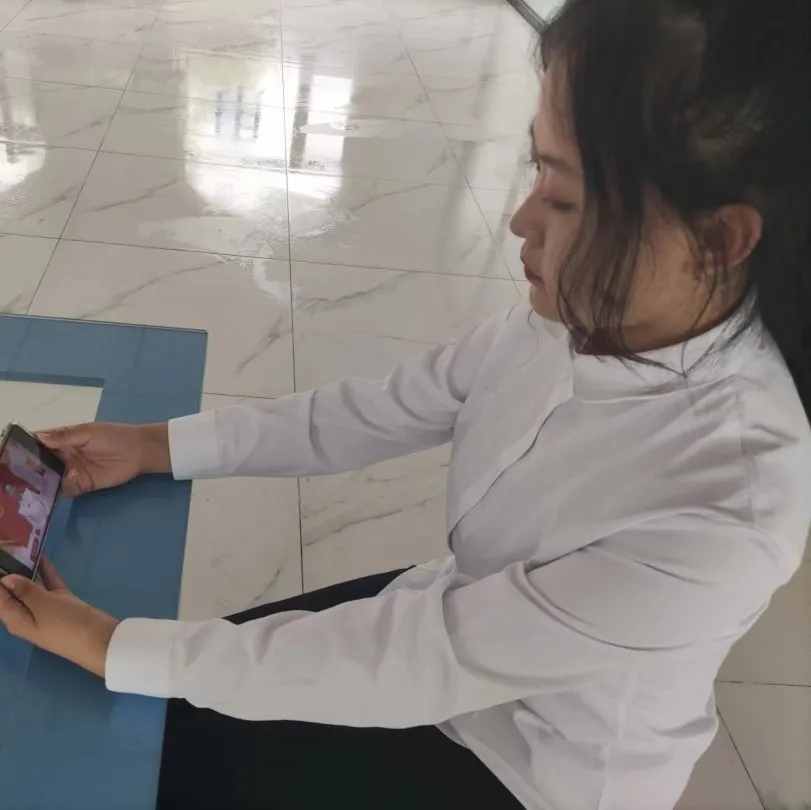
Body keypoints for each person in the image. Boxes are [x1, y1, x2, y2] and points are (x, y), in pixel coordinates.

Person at [1, 1, 810, 808]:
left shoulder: (730, 506)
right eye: (536, 171)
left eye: (563, 199)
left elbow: (421, 663)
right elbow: (377, 411)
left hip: (525, 769)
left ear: (717, 241)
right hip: (444, 629)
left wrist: (117, 647)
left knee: (130, 753)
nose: (520, 220)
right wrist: (158, 445)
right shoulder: (582, 318)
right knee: (148, 712)